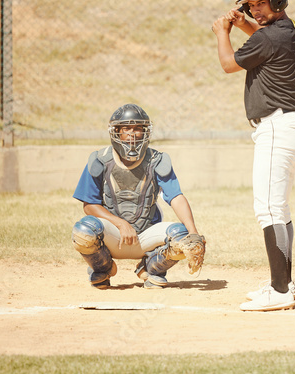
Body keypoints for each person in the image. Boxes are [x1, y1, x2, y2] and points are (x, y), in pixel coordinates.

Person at [212, 0, 295, 312]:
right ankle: (280, 283)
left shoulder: (269, 37)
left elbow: (228, 64)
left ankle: (281, 290)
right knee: (277, 208)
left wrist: (222, 33)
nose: (255, 10)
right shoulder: (287, 31)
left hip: (277, 126)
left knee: (268, 209)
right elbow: (263, 39)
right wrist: (245, 25)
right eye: (250, 6)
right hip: (288, 126)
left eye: (260, 3)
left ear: (278, 1)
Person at [71, 103, 205, 289]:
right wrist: (120, 223)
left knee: (182, 236)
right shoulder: (100, 160)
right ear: (116, 132)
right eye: (126, 128)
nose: (133, 134)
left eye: (138, 129)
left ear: (146, 132)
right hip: (113, 236)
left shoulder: (156, 160)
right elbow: (89, 206)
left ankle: (151, 268)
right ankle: (103, 267)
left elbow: (176, 196)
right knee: (83, 231)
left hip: (146, 237)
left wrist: (193, 232)